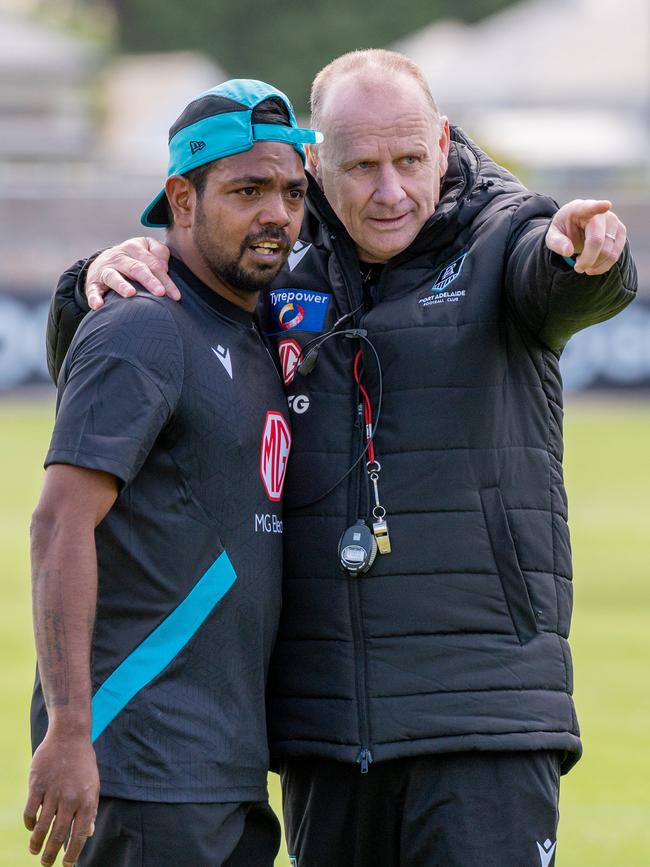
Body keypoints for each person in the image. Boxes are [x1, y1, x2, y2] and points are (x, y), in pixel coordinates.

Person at [45, 50, 637, 867]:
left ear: (441, 141)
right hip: (324, 741)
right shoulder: (278, 264)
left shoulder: (506, 240)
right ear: (320, 165)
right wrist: (90, 283)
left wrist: (585, 256)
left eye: (409, 161)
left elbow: (563, 278)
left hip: (480, 728)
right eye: (361, 166)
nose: (389, 190)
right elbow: (147, 347)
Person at [25, 78, 319, 867]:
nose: (277, 215)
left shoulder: (255, 327)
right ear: (180, 200)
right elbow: (58, 524)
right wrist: (69, 730)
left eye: (292, 192)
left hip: (221, 767)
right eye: (247, 189)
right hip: (140, 764)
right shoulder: (143, 326)